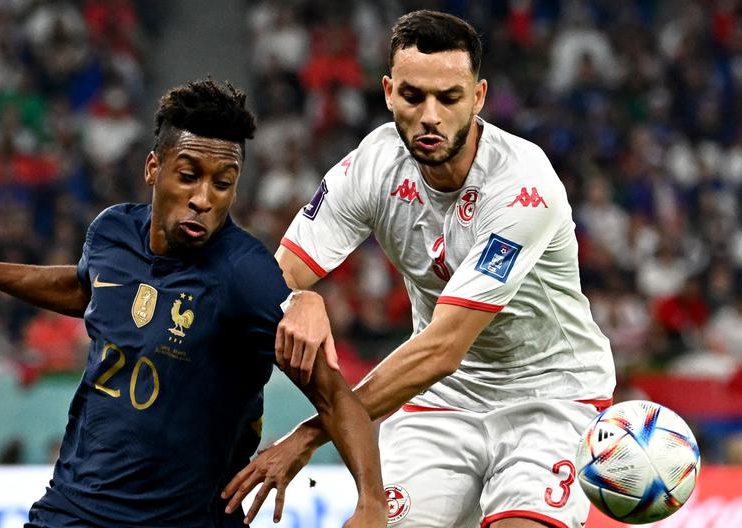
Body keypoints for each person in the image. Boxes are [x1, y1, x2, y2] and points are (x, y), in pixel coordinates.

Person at [0, 79, 385, 528]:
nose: (204, 198)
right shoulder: (112, 233)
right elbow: (86, 289)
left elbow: (336, 394)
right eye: (188, 175)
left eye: (223, 183)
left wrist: (370, 503)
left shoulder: (244, 275)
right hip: (75, 507)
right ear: (153, 168)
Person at [224, 11, 616, 528]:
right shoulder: (372, 165)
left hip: (548, 396)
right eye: (413, 97)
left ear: (478, 98)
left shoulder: (523, 185)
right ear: (388, 92)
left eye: (449, 98)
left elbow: (443, 347)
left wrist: (308, 436)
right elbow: (276, 279)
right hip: (439, 405)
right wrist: (299, 299)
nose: (430, 116)